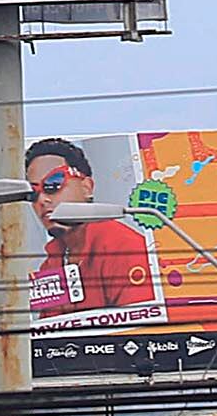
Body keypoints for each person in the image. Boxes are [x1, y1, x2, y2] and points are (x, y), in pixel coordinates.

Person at [24, 138, 164, 327]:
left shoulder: (124, 248)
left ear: (86, 187)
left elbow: (141, 331)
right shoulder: (51, 263)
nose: (42, 200)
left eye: (53, 184)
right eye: (33, 193)